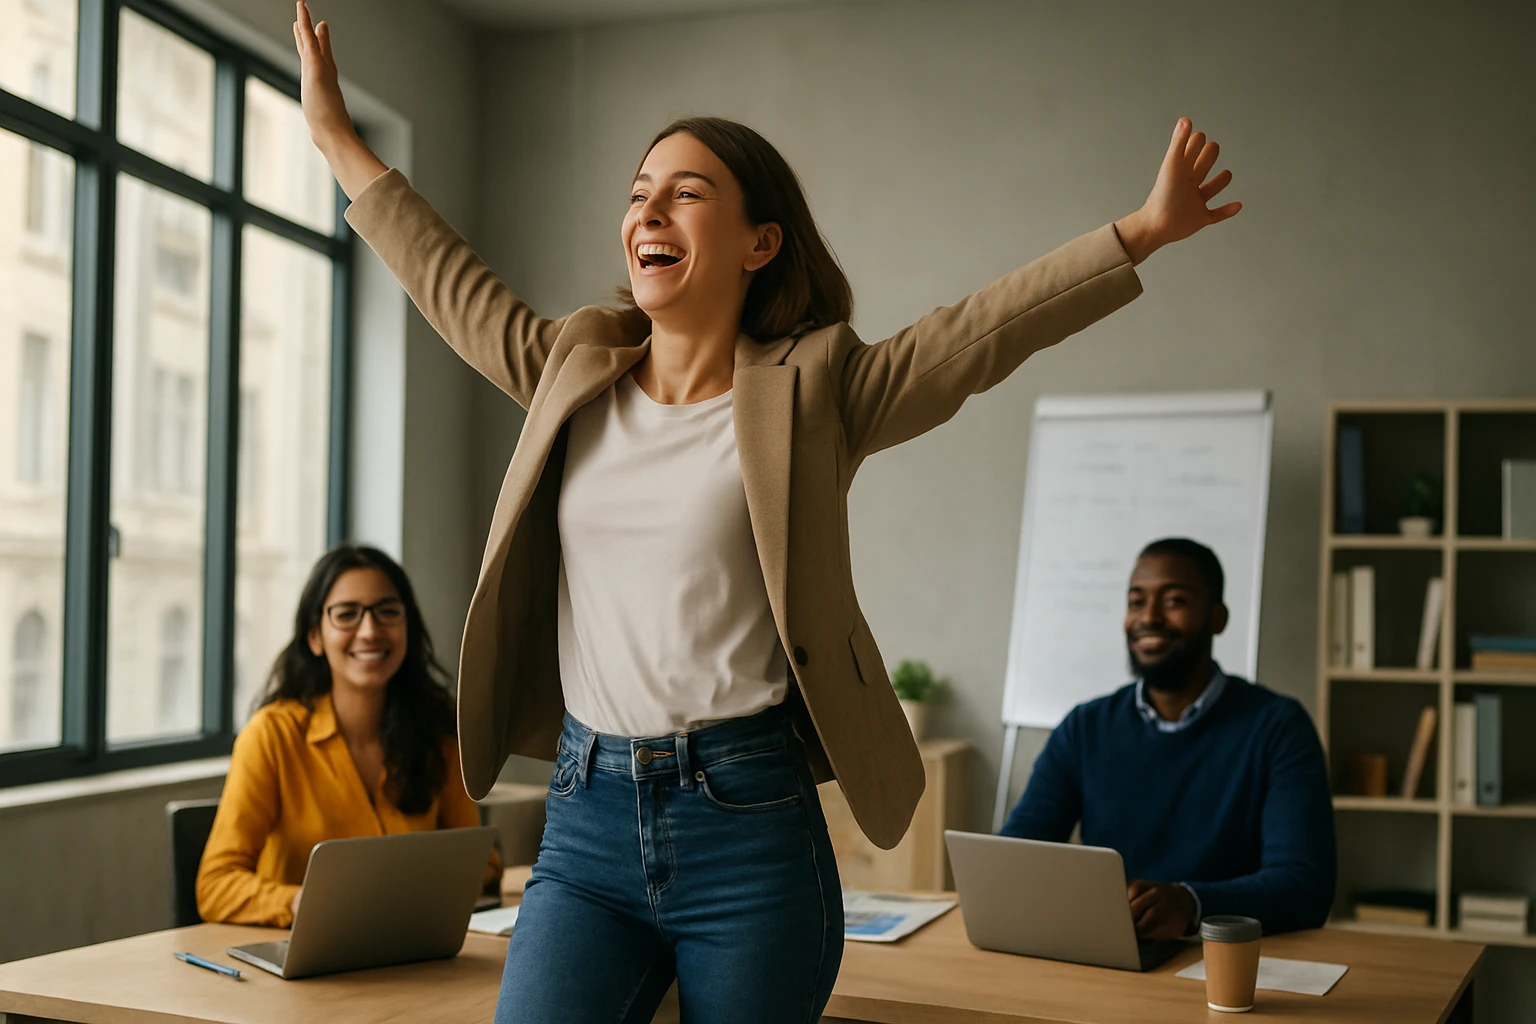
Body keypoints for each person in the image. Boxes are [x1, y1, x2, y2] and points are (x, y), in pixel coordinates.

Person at [292, 2, 1240, 1017]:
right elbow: (449, 281)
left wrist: (1139, 233)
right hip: (585, 813)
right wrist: (338, 138)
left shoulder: (815, 388)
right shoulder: (572, 366)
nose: (649, 212)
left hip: (746, 819)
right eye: (638, 194)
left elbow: (975, 336)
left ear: (758, 242)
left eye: (685, 194)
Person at [1000, 538, 1336, 938]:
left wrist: (1191, 903)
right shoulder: (1085, 727)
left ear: (1217, 618)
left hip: (1230, 960)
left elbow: (1304, 887)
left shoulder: (1278, 727)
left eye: (1174, 601)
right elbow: (1016, 856)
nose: (1149, 617)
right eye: (1136, 602)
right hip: (1112, 949)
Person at [196, 544, 501, 926]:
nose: (370, 631)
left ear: (408, 627)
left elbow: (482, 862)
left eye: (387, 612)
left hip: (411, 948)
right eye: (347, 615)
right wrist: (301, 902)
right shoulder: (272, 736)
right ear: (315, 637)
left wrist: (412, 892)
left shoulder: (438, 735)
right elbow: (215, 886)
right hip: (300, 953)